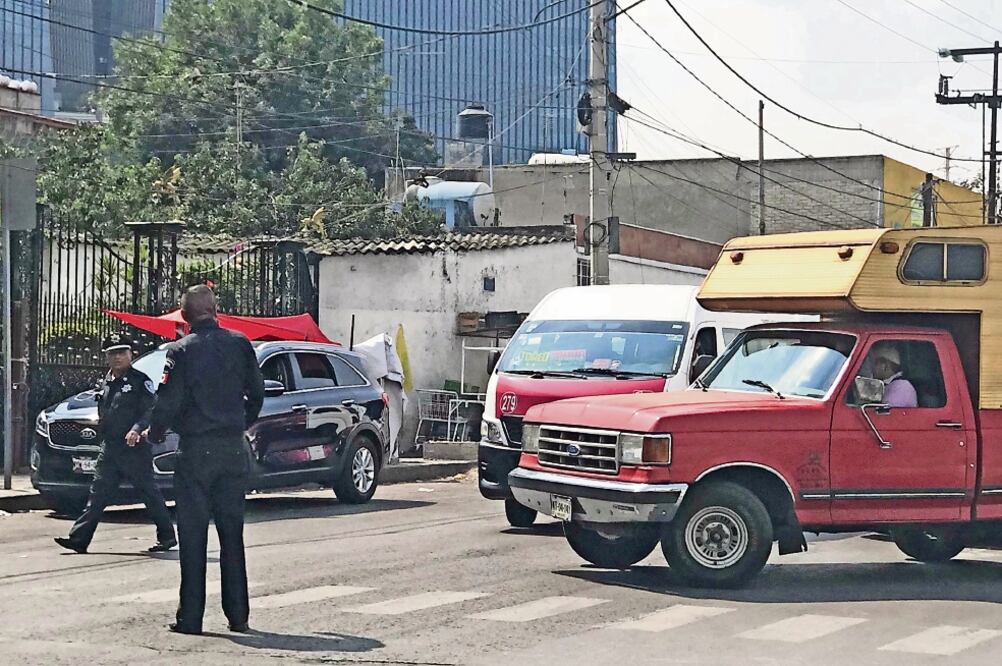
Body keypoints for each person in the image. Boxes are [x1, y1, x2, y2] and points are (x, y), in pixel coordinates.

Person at [144, 285, 264, 636]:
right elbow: (256, 393)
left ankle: (191, 617)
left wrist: (155, 433)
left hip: (195, 452)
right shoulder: (240, 343)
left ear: (183, 316)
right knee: (232, 534)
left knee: (194, 536)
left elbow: (167, 402)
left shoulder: (180, 351)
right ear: (216, 310)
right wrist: (239, 422)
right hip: (231, 449)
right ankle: (238, 615)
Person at [54, 333, 176, 554]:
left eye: (122, 352)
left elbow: (151, 409)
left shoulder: (140, 381)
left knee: (148, 492)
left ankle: (167, 536)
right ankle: (79, 539)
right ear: (106, 357)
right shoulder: (107, 381)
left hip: (133, 449)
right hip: (110, 449)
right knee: (97, 494)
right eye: (113, 354)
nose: (118, 358)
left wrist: (137, 429)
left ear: (131, 354)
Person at [869, 343, 918, 408]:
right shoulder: (891, 385)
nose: (872, 368)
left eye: (875, 363)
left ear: (885, 366)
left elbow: (884, 413)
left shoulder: (902, 386)